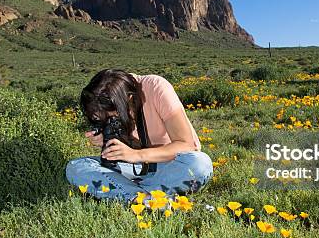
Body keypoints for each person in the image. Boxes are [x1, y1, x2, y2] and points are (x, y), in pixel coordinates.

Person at [65, 69, 213, 203]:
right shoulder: (105, 103)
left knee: (200, 164)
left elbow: (188, 145)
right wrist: (107, 138)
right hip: (132, 169)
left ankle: (126, 193)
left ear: (129, 99)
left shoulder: (156, 88)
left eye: (114, 116)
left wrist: (137, 154)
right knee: (75, 167)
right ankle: (146, 199)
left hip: (167, 167)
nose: (110, 120)